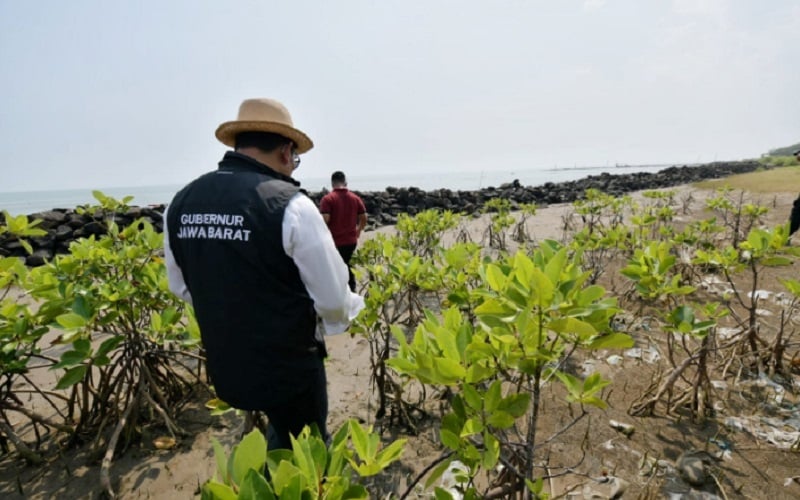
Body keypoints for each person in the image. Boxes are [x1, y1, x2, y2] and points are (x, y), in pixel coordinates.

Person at [163, 98, 364, 451]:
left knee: (279, 435)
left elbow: (180, 285)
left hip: (228, 363)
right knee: (306, 449)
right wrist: (350, 310)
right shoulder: (292, 205)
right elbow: (333, 301)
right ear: (286, 152)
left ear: (239, 144)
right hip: (290, 366)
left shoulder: (180, 202)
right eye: (295, 159)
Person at [319, 171, 367, 292]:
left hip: (334, 242)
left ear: (332, 183)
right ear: (345, 183)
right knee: (346, 264)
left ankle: (340, 292)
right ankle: (352, 289)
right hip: (351, 241)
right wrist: (359, 230)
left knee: (335, 267)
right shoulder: (355, 198)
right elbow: (364, 217)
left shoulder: (327, 199)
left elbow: (325, 219)